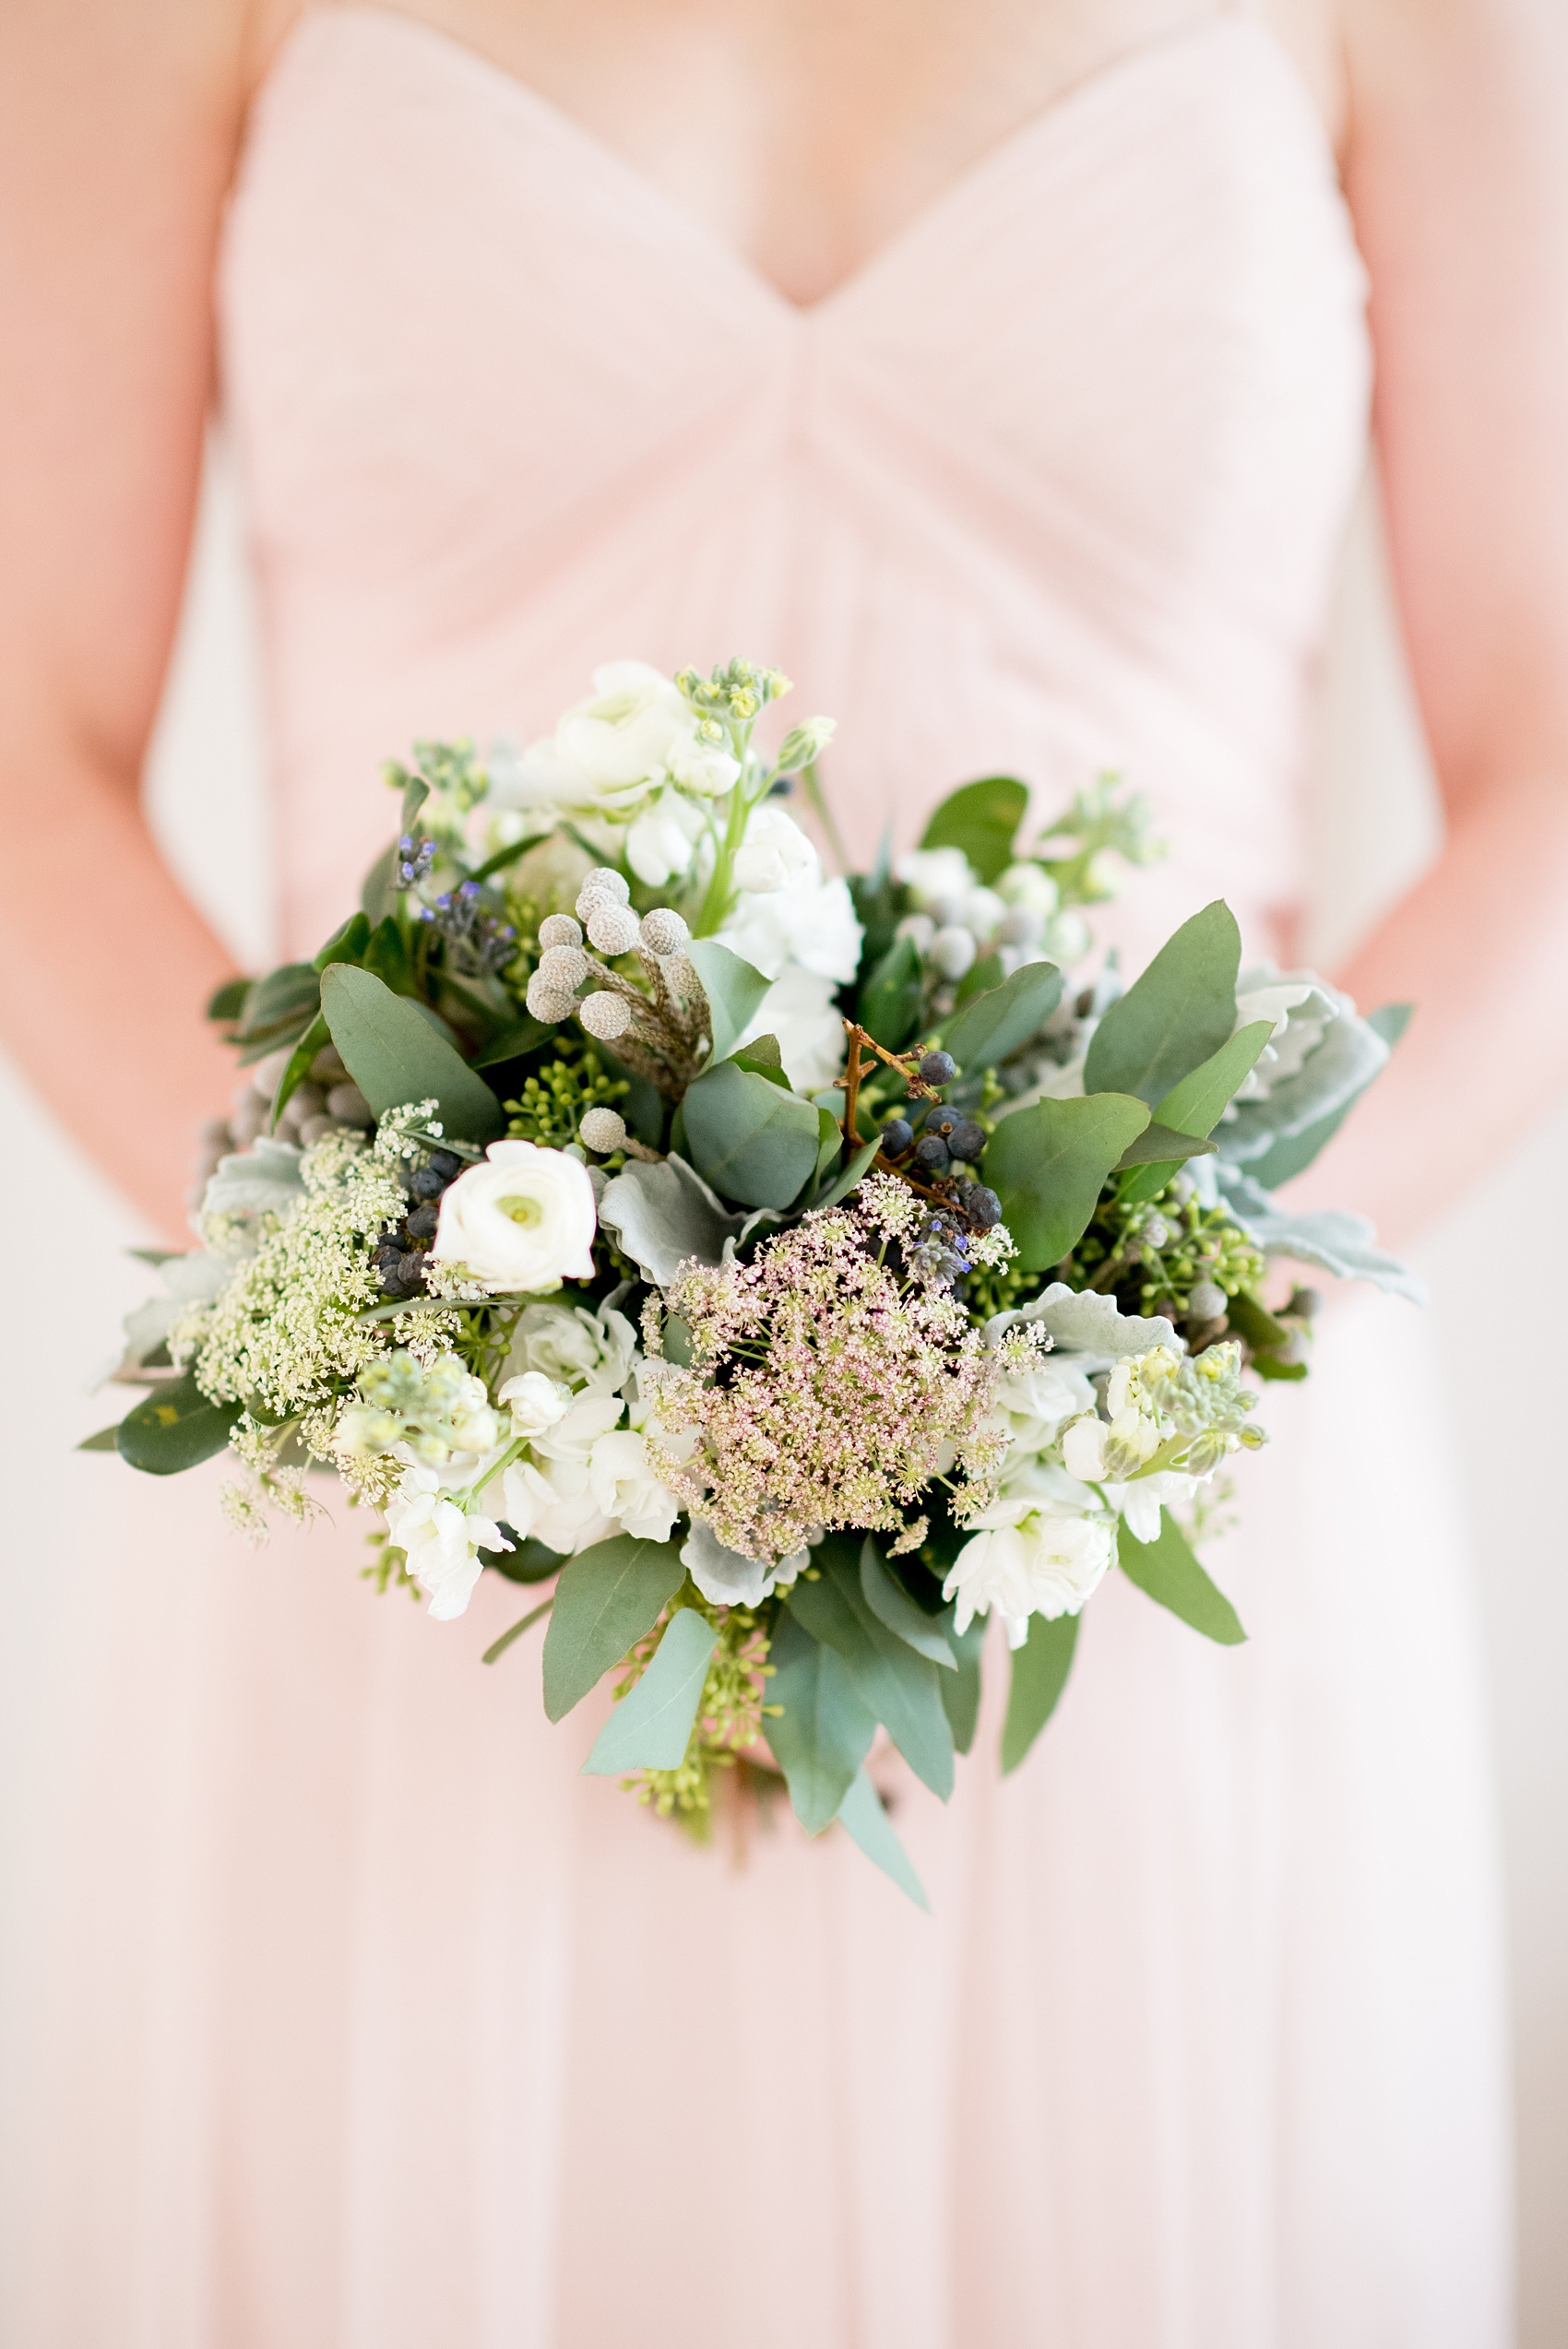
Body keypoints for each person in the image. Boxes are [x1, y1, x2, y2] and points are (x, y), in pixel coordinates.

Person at [3, 0, 1563, 2340]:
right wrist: (434, 1341)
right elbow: (30, 744)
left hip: (1133, 1521)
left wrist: (1083, 1342)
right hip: (432, 1569)